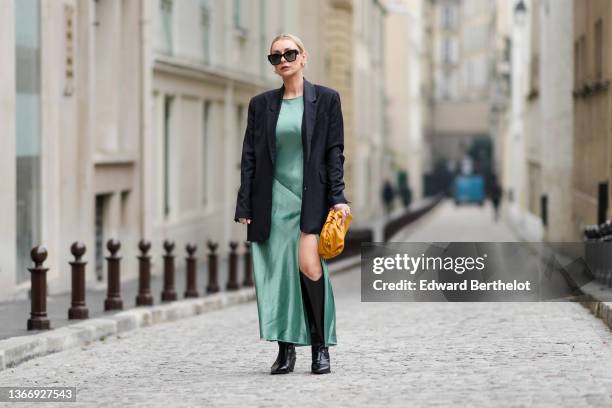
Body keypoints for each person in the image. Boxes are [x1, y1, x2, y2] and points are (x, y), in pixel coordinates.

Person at [234, 33, 351, 375]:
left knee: (310, 268)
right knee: (279, 276)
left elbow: (334, 152)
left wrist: (338, 196)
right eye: (275, 56)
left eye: (289, 53)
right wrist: (245, 205)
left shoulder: (327, 100)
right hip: (271, 198)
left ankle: (320, 347)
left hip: (310, 197)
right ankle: (286, 350)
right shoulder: (261, 104)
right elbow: (250, 157)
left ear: (304, 57)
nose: (283, 59)